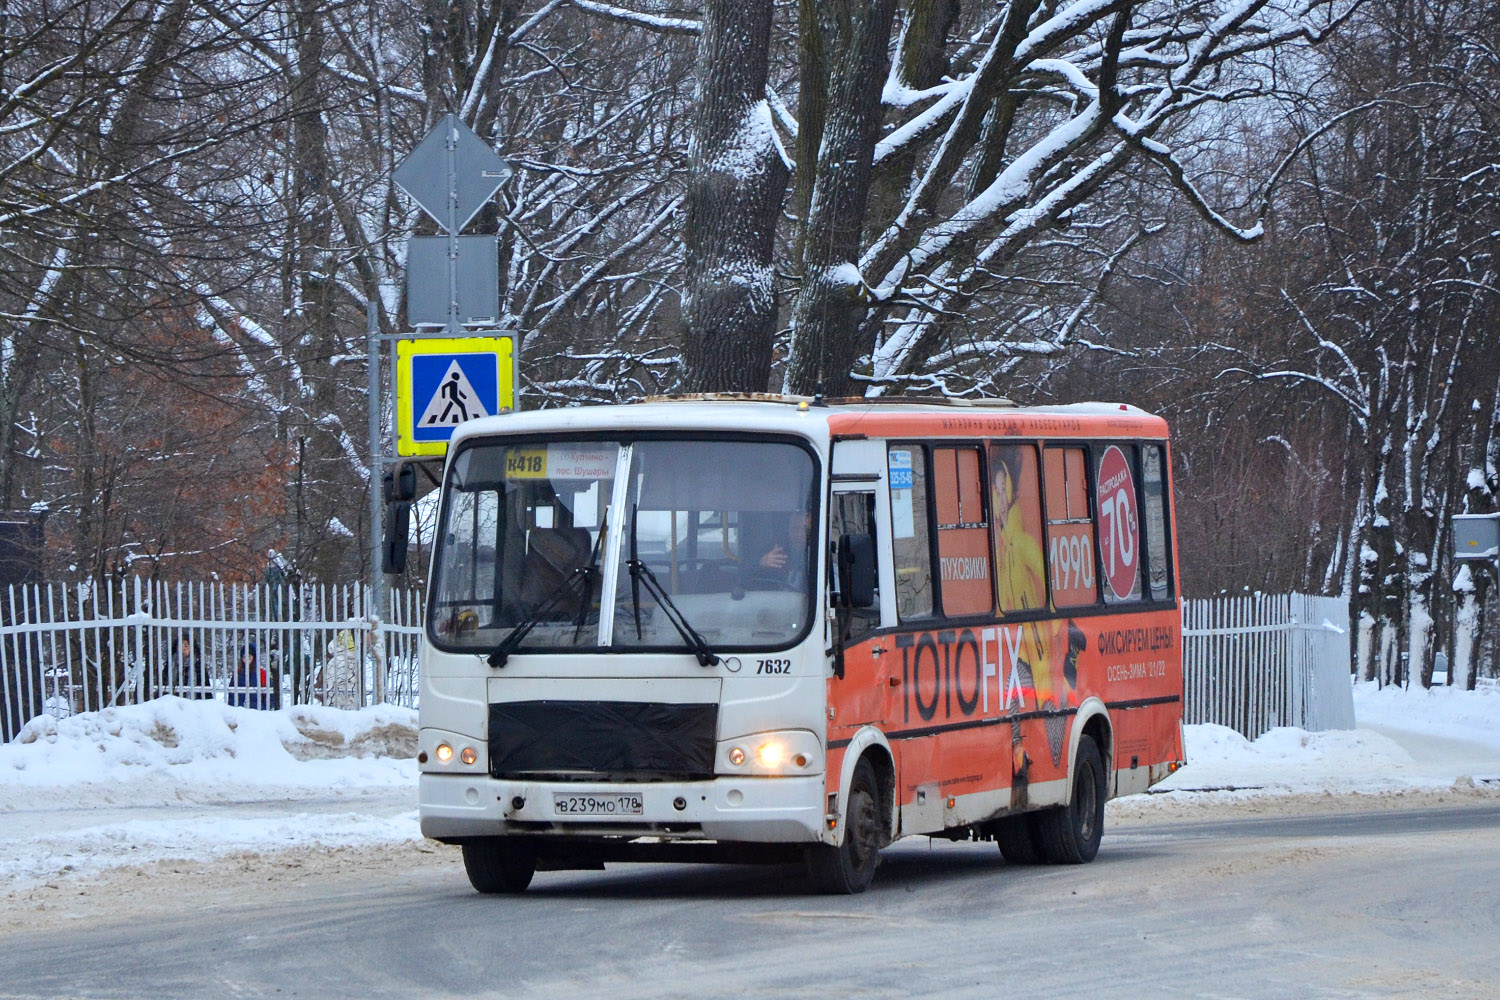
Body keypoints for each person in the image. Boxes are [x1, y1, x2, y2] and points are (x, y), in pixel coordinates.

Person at [753, 511, 812, 589]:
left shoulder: (819, 554)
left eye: (804, 529)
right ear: (788, 530)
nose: (799, 534)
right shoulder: (774, 552)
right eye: (795, 529)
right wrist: (761, 563)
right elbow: (747, 576)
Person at [229, 643, 273, 710]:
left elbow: (270, 693)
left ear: (254, 657)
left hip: (258, 712)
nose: (246, 659)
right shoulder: (238, 673)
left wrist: (264, 708)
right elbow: (231, 693)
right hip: (240, 711)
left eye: (249, 656)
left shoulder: (262, 673)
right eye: (244, 657)